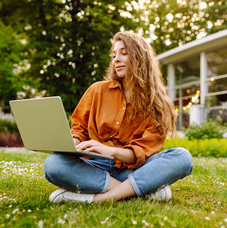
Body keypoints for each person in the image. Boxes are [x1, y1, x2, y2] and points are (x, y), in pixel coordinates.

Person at [44, 31, 193, 203]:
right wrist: (74, 144)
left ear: (140, 58)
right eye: (114, 55)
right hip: (93, 166)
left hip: (133, 168)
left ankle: (101, 198)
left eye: (124, 53)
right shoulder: (97, 90)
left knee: (182, 157)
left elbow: (143, 152)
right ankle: (141, 190)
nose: (116, 59)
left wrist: (111, 151)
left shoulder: (159, 104)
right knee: (53, 164)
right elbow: (79, 129)